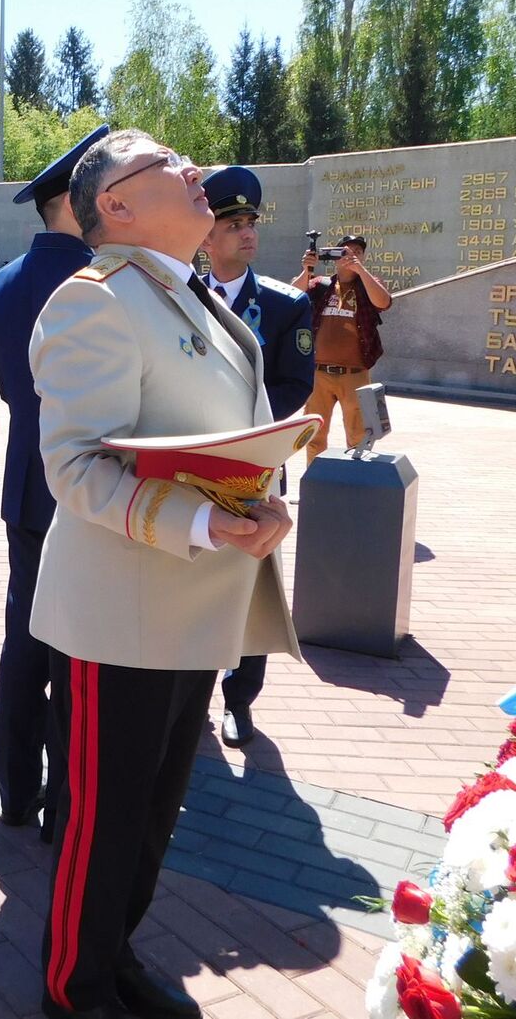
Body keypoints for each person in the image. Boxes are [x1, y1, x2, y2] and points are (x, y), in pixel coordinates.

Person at [28, 131, 301, 1019]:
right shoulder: (94, 301)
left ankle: (113, 955)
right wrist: (203, 520)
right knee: (102, 824)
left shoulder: (190, 297)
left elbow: (236, 431)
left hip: (193, 606)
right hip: (123, 613)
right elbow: (72, 469)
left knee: (152, 819)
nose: (195, 172)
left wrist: (265, 500)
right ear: (114, 205)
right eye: (169, 164)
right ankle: (73, 987)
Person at [0, 126, 100, 834]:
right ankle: (64, 804)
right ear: (75, 202)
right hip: (86, 490)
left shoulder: (1, 283)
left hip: (29, 483)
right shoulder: (100, 280)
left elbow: (7, 387)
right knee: (75, 648)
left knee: (24, 637)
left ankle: (15, 789)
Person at [199, 166, 315, 748]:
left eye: (251, 223)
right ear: (206, 235)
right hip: (190, 467)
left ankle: (239, 701)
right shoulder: (180, 299)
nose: (246, 234)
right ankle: (187, 688)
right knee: (191, 576)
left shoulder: (285, 304)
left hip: (254, 465)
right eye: (231, 223)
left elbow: (295, 386)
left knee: (250, 581)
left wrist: (236, 426)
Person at [294, 233, 391, 461]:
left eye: (357, 252)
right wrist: (306, 270)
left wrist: (360, 271)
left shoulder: (369, 284)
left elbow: (383, 302)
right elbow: (293, 297)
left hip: (355, 374)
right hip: (319, 374)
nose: (351, 256)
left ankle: (355, 489)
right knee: (314, 435)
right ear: (335, 257)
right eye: (345, 252)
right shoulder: (320, 285)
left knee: (359, 437)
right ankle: (316, 488)